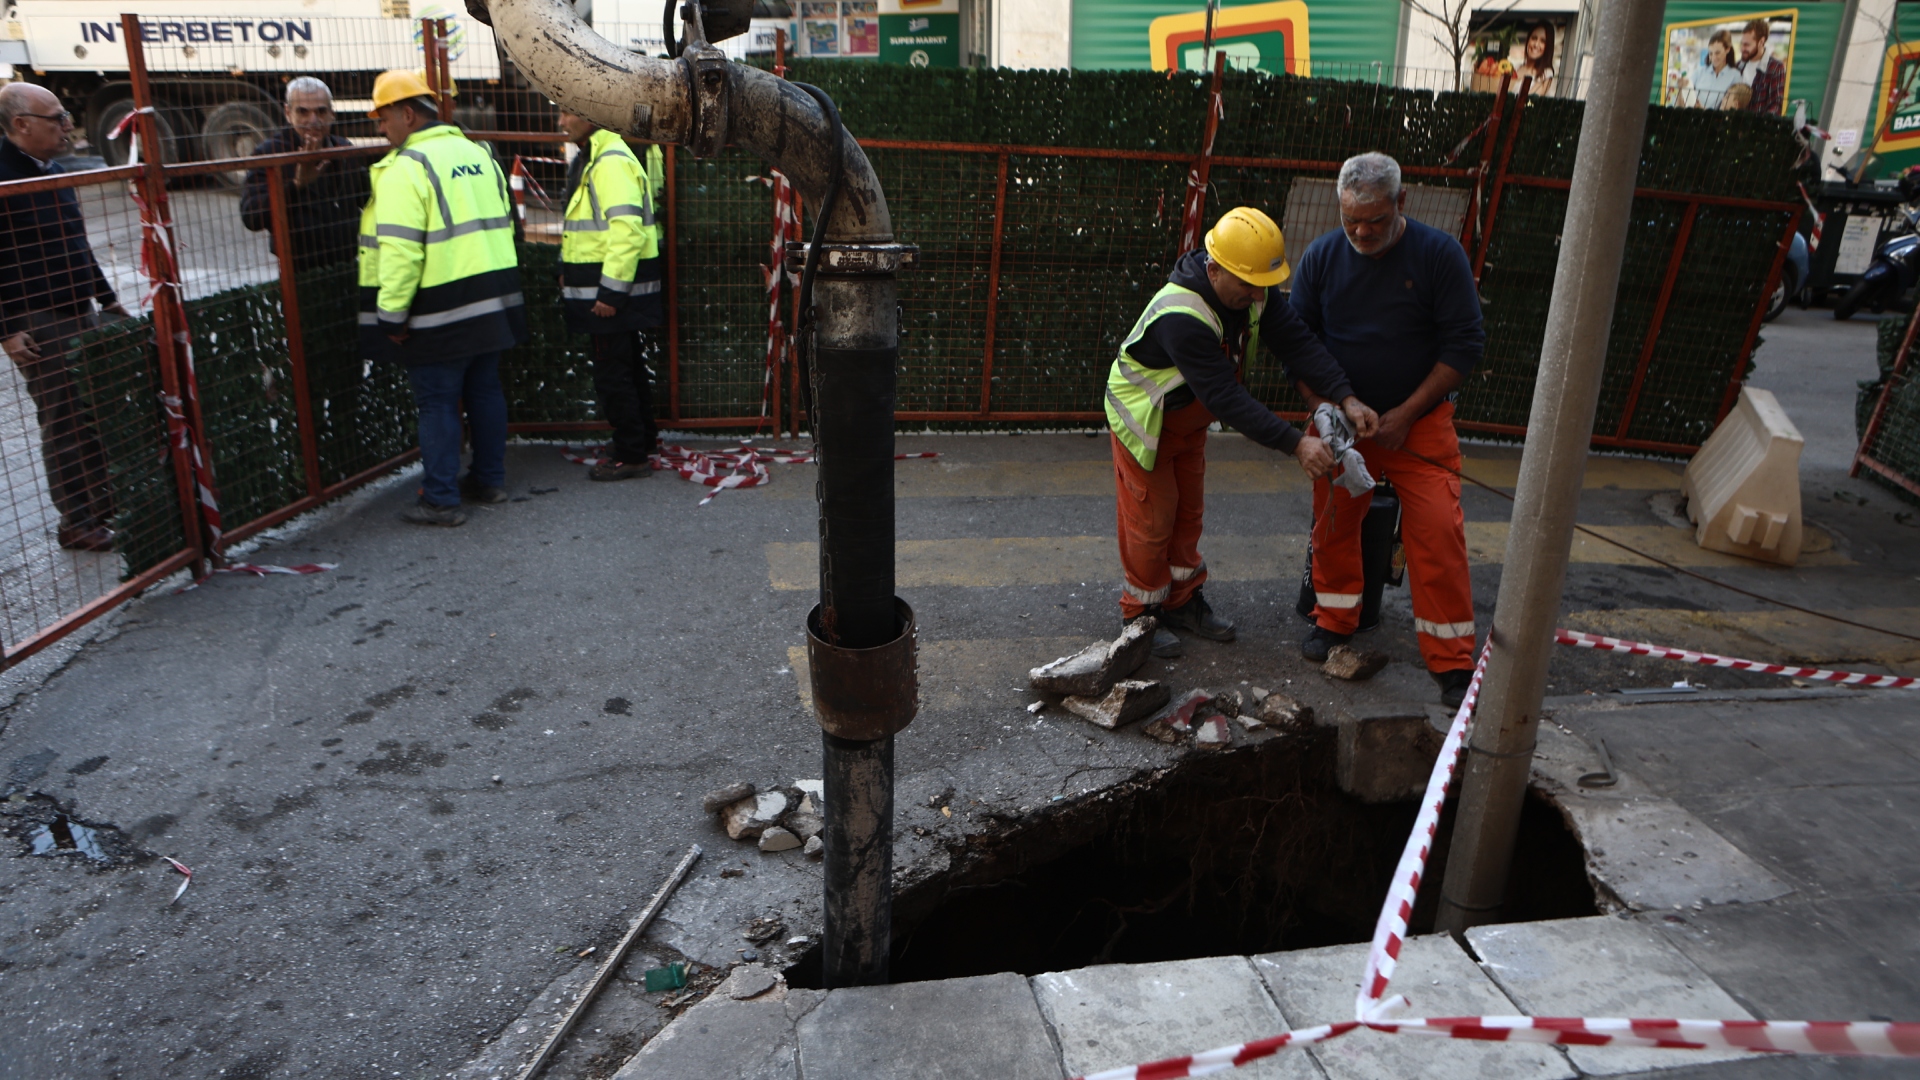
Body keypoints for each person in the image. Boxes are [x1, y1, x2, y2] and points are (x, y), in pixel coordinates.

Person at [1106, 205, 1376, 658]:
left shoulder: (1253, 289)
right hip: (1146, 423)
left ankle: (1182, 601)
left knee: (1187, 515)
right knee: (1152, 521)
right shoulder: (1181, 314)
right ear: (1214, 270)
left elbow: (1299, 344)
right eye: (1248, 285)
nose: (1257, 296)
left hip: (1187, 419)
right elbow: (1225, 399)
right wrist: (1296, 443)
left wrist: (1345, 396)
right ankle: (1142, 615)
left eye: (1262, 286)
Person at [1288, 153, 1484, 708]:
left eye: (1374, 219)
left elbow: (1464, 345)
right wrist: (1326, 410)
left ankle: (1451, 660)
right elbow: (1299, 345)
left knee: (1438, 532)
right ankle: (1334, 620)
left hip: (1418, 426)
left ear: (1402, 202)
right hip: (1340, 421)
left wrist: (1405, 415)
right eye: (1352, 219)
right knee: (1332, 519)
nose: (1362, 231)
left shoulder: (1438, 256)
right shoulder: (1323, 257)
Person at [359, 69, 525, 526]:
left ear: (407, 114)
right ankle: (489, 482)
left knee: (436, 401)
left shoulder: (405, 168)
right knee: (486, 391)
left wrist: (390, 315)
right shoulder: (479, 154)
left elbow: (400, 251)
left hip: (437, 307)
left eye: (383, 117)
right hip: (492, 297)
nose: (380, 127)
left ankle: (440, 499)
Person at [0, 83, 127, 552]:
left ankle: (102, 505)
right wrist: (7, 331)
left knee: (93, 409)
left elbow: (77, 246)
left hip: (78, 308)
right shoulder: (4, 175)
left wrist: (108, 300)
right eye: (55, 118)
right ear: (21, 125)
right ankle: (76, 520)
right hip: (37, 316)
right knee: (64, 418)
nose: (67, 124)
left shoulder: (52, 170)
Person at [556, 107, 662, 480]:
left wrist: (610, 294)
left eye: (569, 113)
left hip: (609, 296)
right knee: (626, 369)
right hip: (610, 291)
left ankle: (631, 455)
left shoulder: (609, 162)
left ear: (591, 115)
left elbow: (627, 231)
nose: (562, 121)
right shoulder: (601, 157)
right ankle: (641, 442)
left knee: (613, 375)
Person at [240, 76, 371, 270]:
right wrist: (296, 185)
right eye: (303, 112)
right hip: (299, 270)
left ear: (332, 114)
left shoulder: (342, 148)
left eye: (321, 111)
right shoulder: (270, 153)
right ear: (288, 113)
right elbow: (251, 216)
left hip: (346, 263)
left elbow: (368, 197)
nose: (313, 120)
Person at [1683, 30, 1742, 110]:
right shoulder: (1700, 72)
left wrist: (1703, 110)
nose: (1713, 58)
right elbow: (1686, 96)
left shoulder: (1735, 76)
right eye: (1710, 53)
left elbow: (1732, 108)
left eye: (1717, 53)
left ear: (1727, 50)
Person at [1738, 18, 1786, 115]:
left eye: (1747, 45)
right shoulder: (1738, 66)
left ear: (1761, 42)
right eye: (1741, 44)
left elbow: (1777, 104)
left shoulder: (1776, 68)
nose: (1742, 49)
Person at [1514, 21, 1555, 96]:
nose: (1536, 44)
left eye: (1543, 41)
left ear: (1548, 47)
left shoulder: (1546, 74)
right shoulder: (1516, 67)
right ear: (1528, 40)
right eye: (1534, 38)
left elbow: (1530, 101)